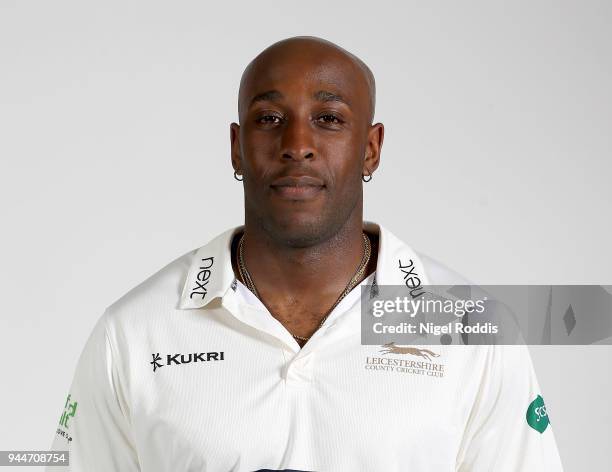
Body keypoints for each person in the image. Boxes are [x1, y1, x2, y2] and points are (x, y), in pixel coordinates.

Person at [47, 36, 563, 471]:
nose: (297, 143)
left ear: (371, 148)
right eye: (270, 118)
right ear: (236, 147)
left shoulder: (473, 330)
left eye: (329, 118)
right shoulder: (133, 334)